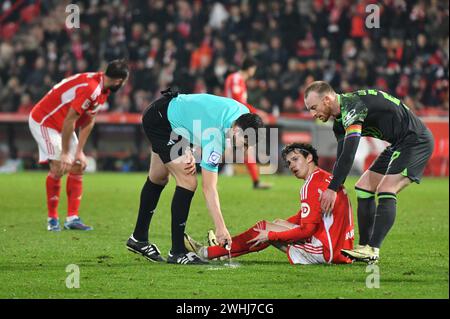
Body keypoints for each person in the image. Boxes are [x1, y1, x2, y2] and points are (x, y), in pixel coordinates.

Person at [127, 88, 264, 265]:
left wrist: (189, 148)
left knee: (159, 176)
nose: (244, 149)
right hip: (161, 122)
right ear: (237, 131)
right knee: (188, 181)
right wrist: (221, 228)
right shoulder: (216, 138)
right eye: (244, 143)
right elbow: (209, 188)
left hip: (168, 112)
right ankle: (177, 252)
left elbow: (200, 115)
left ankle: (138, 239)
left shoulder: (243, 115)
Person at [303, 81, 434, 263]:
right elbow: (341, 157)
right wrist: (335, 186)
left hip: (415, 141)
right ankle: (364, 247)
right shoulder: (340, 122)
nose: (313, 114)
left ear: (326, 99)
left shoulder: (352, 106)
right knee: (363, 187)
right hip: (398, 143)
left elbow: (350, 154)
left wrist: (332, 189)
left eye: (314, 107)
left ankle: (373, 249)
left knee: (386, 189)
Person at [184, 143, 354, 265]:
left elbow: (307, 230)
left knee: (264, 229)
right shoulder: (326, 178)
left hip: (325, 252)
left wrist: (271, 235)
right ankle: (222, 251)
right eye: (288, 163)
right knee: (276, 224)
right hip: (343, 249)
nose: (292, 166)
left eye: (295, 159)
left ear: (309, 158)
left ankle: (208, 252)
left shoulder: (310, 185)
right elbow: (311, 216)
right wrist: (280, 225)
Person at [28, 60, 129, 231]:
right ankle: (52, 219)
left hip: (63, 123)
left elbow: (89, 120)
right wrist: (66, 152)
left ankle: (72, 218)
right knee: (59, 166)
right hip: (45, 121)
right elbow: (70, 120)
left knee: (78, 165)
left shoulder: (102, 87)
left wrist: (79, 151)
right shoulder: (92, 89)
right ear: (120, 80)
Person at [224, 57, 272, 189]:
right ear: (251, 68)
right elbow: (239, 101)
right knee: (229, 149)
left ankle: (256, 182)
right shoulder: (236, 78)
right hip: (232, 119)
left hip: (234, 119)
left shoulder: (238, 79)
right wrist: (257, 112)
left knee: (246, 148)